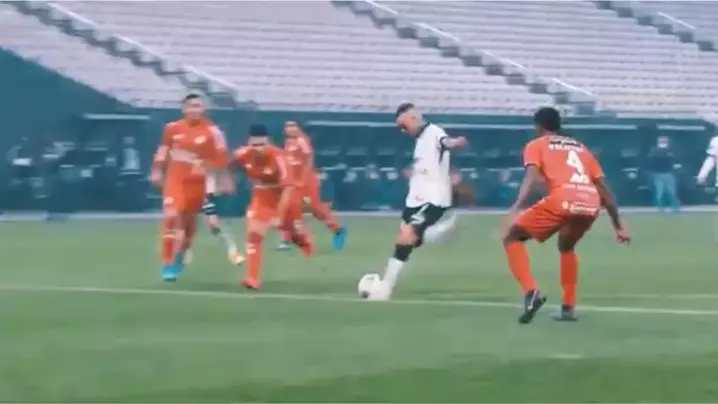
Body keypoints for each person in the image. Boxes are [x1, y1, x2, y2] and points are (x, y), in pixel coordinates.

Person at [501, 107, 630, 324]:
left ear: (537, 126)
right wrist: (618, 225)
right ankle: (568, 308)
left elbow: (531, 179)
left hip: (562, 198)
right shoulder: (581, 148)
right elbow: (604, 189)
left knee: (512, 237)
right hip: (590, 202)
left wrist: (516, 207)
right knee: (566, 246)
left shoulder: (536, 145)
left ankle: (531, 292)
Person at [367, 103, 467, 301]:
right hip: (414, 200)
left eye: (403, 126)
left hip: (433, 199)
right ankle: (439, 232)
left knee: (407, 236)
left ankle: (385, 289)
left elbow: (446, 142)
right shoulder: (420, 141)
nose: (403, 131)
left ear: (413, 117)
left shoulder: (434, 133)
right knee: (406, 241)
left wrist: (456, 142)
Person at [150, 93, 232, 281]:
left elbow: (221, 159)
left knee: (187, 229)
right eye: (191, 106)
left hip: (197, 184)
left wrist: (207, 168)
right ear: (184, 109)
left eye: (198, 106)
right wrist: (156, 169)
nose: (194, 110)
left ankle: (181, 254)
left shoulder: (213, 131)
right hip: (175, 180)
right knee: (171, 217)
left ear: (204, 109)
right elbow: (163, 150)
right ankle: (168, 263)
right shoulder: (172, 128)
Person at [233, 124, 313, 290]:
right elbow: (224, 165)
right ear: (248, 143)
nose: (258, 149)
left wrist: (278, 215)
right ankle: (252, 278)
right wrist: (223, 180)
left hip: (284, 197)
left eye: (262, 145)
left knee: (292, 231)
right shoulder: (242, 154)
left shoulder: (278, 157)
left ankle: (301, 239)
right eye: (254, 145)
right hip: (261, 197)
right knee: (254, 234)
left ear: (268, 142)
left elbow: (288, 188)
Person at [276, 121, 347, 251]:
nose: (290, 129)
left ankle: (337, 230)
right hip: (293, 182)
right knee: (287, 208)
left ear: (298, 128)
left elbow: (309, 159)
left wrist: (303, 179)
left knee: (315, 208)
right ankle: (286, 240)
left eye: (293, 126)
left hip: (306, 181)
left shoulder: (302, 140)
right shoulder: (287, 143)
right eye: (287, 126)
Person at [647, 136, 680, 212]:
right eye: (662, 142)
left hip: (667, 174)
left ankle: (675, 207)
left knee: (671, 192)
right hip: (658, 175)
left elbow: (673, 161)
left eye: (665, 142)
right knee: (660, 192)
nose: (664, 144)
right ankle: (661, 207)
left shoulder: (670, 151)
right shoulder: (654, 152)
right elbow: (652, 162)